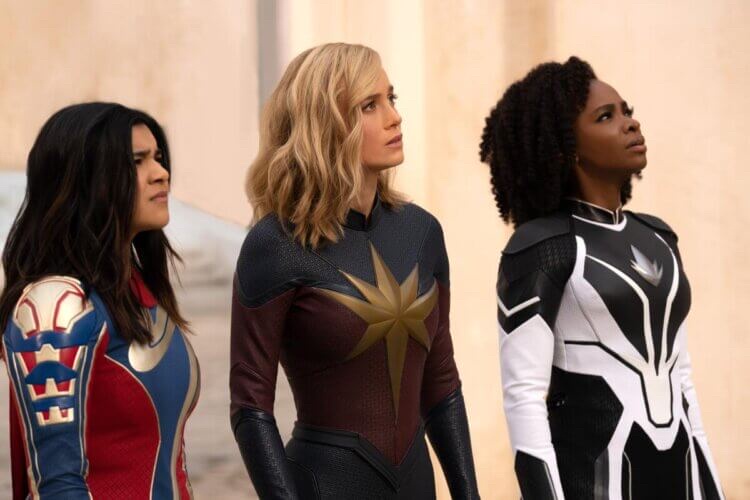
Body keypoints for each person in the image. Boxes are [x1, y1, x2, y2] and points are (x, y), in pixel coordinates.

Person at [230, 43, 480, 499]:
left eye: (391, 98)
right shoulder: (276, 245)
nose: (394, 117)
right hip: (324, 486)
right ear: (325, 124)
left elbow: (442, 383)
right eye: (369, 105)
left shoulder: (422, 232)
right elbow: (250, 407)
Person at [480, 57, 724, 499]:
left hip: (681, 478)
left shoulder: (660, 238)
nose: (630, 123)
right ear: (565, 146)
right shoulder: (542, 247)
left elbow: (682, 381)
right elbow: (524, 398)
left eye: (627, 111)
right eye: (606, 117)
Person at [0, 103, 199, 499]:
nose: (161, 173)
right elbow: (58, 484)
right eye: (137, 161)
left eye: (158, 157)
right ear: (88, 180)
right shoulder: (55, 308)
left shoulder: (137, 290)